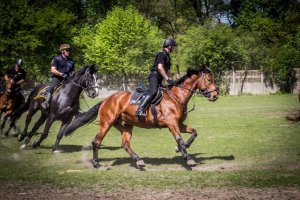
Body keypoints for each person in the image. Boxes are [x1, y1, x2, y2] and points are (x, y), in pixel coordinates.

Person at [135, 38, 177, 117]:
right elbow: (160, 68)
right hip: (154, 76)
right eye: (173, 46)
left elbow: (167, 71)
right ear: (169, 46)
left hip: (160, 78)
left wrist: (171, 80)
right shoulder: (161, 54)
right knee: (153, 91)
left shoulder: (168, 57)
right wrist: (167, 79)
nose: (174, 48)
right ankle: (140, 109)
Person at [41, 44, 75, 109]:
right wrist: (61, 74)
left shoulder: (71, 61)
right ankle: (46, 102)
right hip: (57, 78)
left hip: (67, 79)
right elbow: (53, 70)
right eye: (67, 50)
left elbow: (72, 72)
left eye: (69, 50)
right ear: (62, 51)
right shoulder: (56, 58)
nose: (69, 51)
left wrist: (72, 77)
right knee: (52, 87)